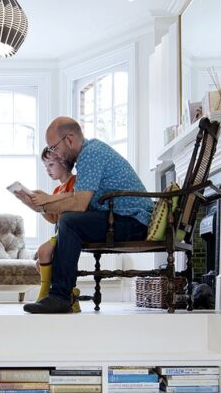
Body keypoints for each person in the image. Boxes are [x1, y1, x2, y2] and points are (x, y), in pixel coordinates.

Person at [22, 118, 153, 314]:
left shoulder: (90, 154)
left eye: (54, 147)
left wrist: (46, 201)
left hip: (133, 221)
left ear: (70, 139)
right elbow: (76, 198)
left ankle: (60, 296)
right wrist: (41, 204)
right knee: (68, 220)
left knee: (70, 221)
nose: (54, 153)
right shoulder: (89, 153)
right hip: (121, 217)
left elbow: (79, 204)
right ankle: (60, 294)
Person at [15, 147, 80, 311]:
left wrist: (49, 200)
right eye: (45, 166)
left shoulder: (75, 183)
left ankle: (44, 294)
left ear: (64, 163)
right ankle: (72, 296)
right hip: (60, 232)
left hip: (71, 232)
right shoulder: (57, 190)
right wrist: (35, 205)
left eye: (51, 164)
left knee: (43, 251)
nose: (47, 169)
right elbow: (52, 219)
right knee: (40, 264)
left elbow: (77, 203)